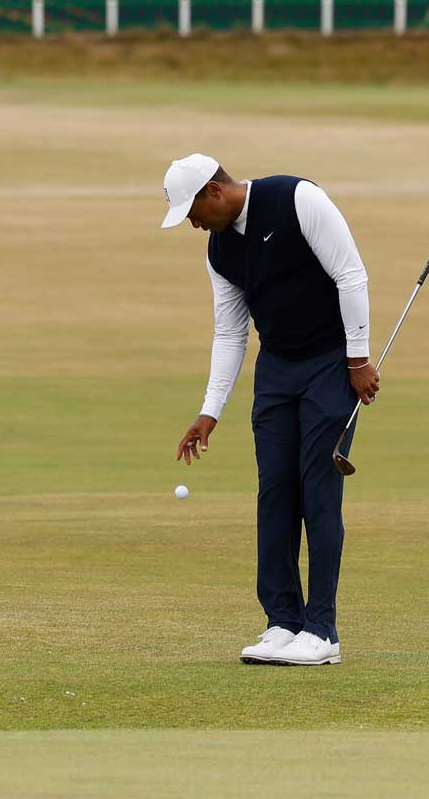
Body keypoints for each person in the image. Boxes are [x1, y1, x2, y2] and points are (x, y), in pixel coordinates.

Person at [163, 154, 376, 668]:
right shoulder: (220, 250)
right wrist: (209, 410)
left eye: (191, 210)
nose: (191, 223)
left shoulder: (297, 198)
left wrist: (358, 359)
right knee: (275, 493)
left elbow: (351, 275)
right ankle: (283, 621)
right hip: (277, 369)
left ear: (215, 191)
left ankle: (322, 632)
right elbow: (232, 331)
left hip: (330, 363)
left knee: (318, 493)